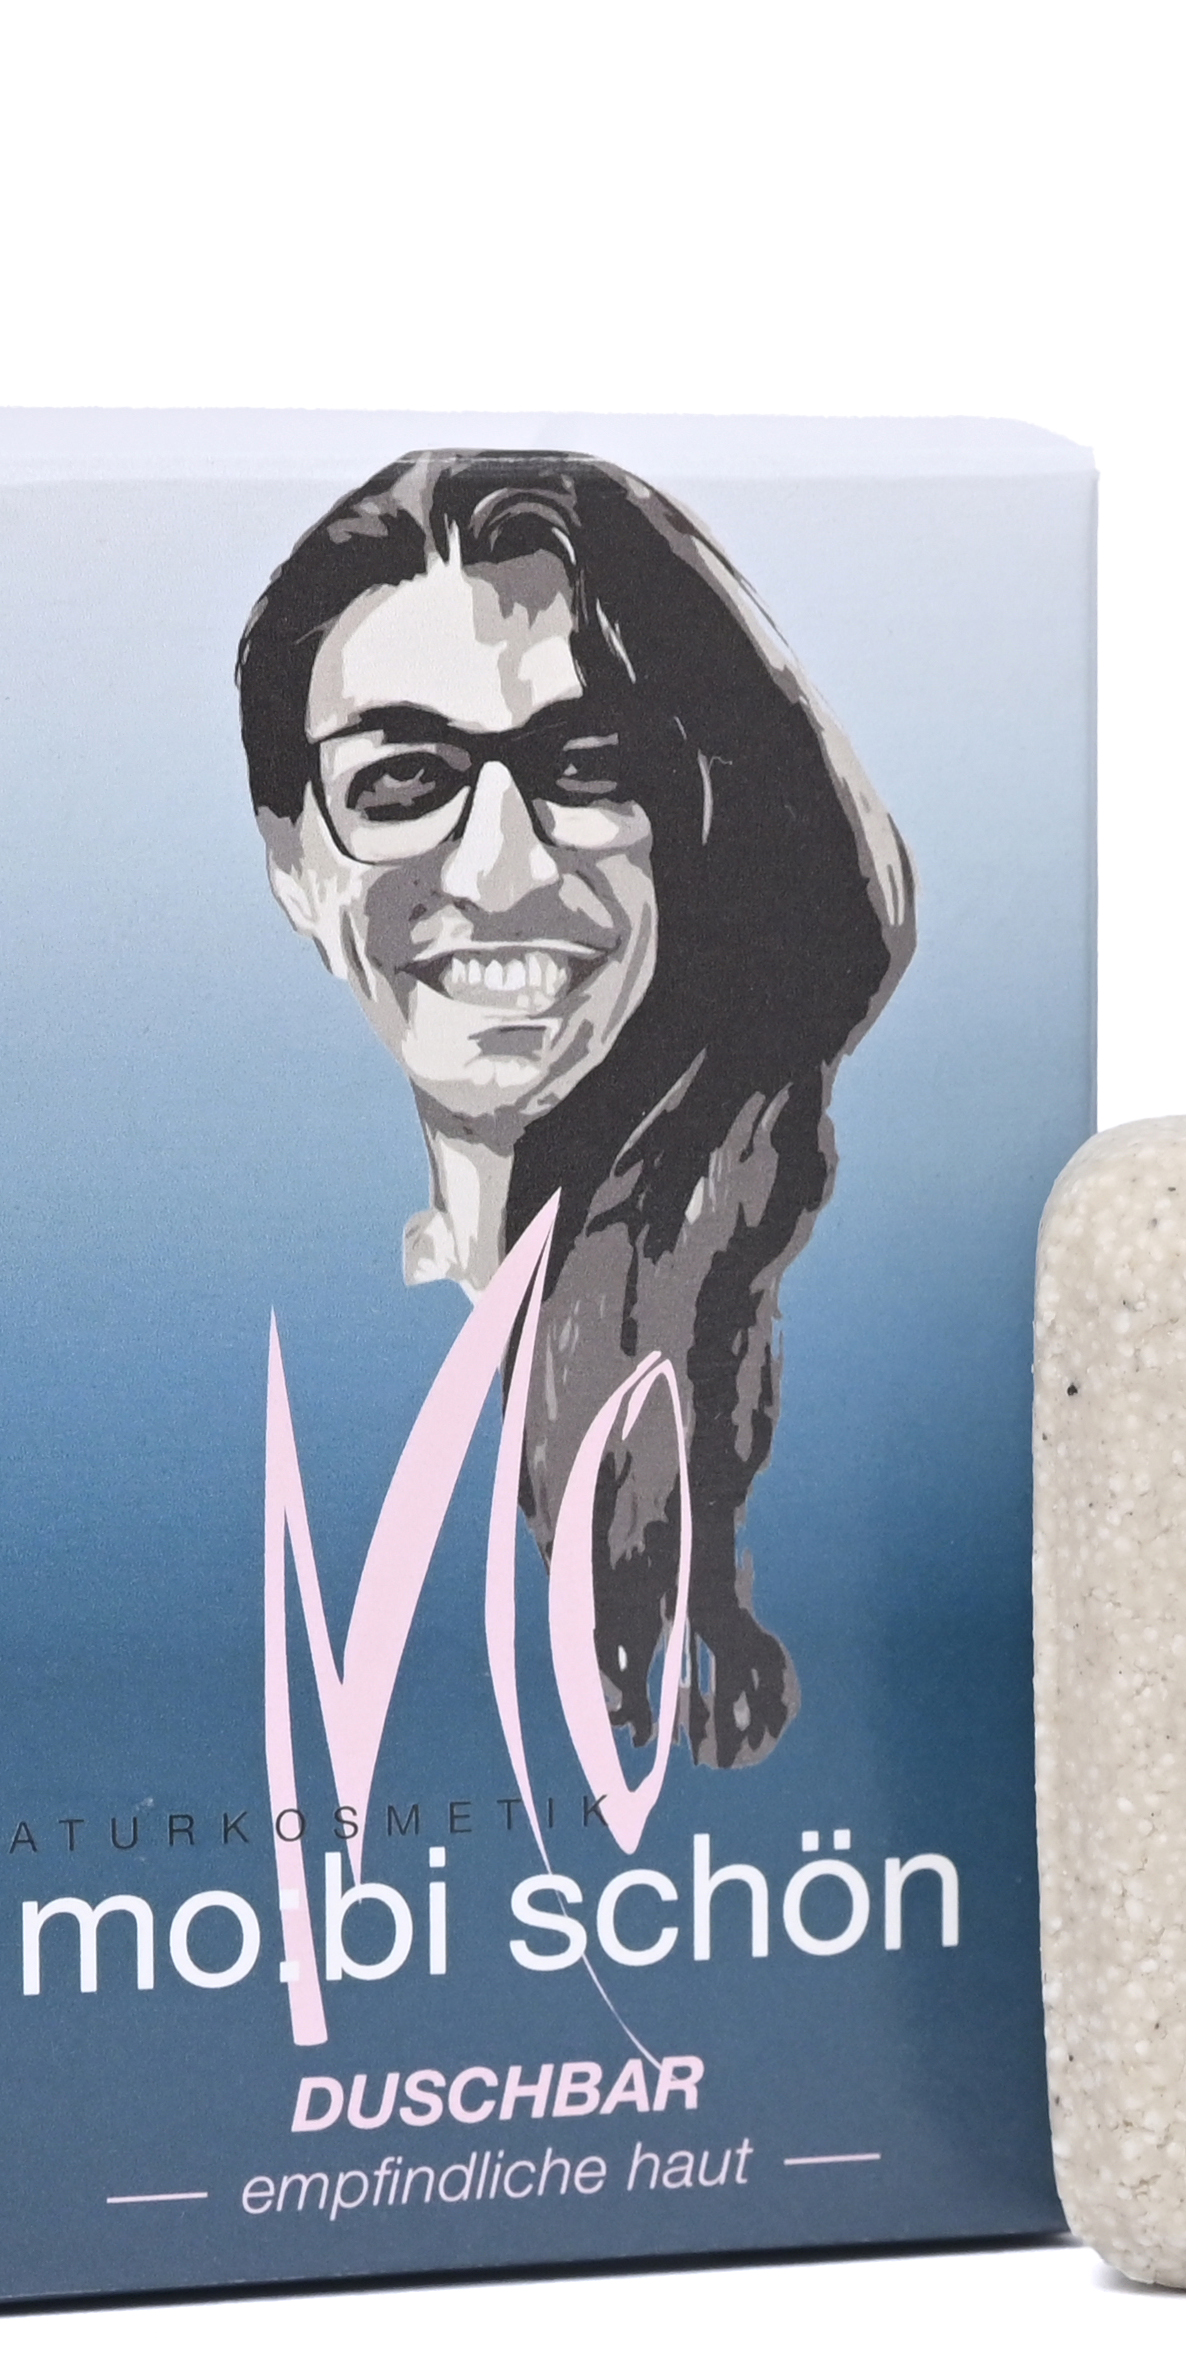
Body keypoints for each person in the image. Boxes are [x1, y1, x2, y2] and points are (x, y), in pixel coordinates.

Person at [236, 448, 912, 1768]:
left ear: (694, 819)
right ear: (293, 865)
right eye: (403, 779)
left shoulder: (846, 1346)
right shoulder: (212, 1351)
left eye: (587, 765)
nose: (499, 871)